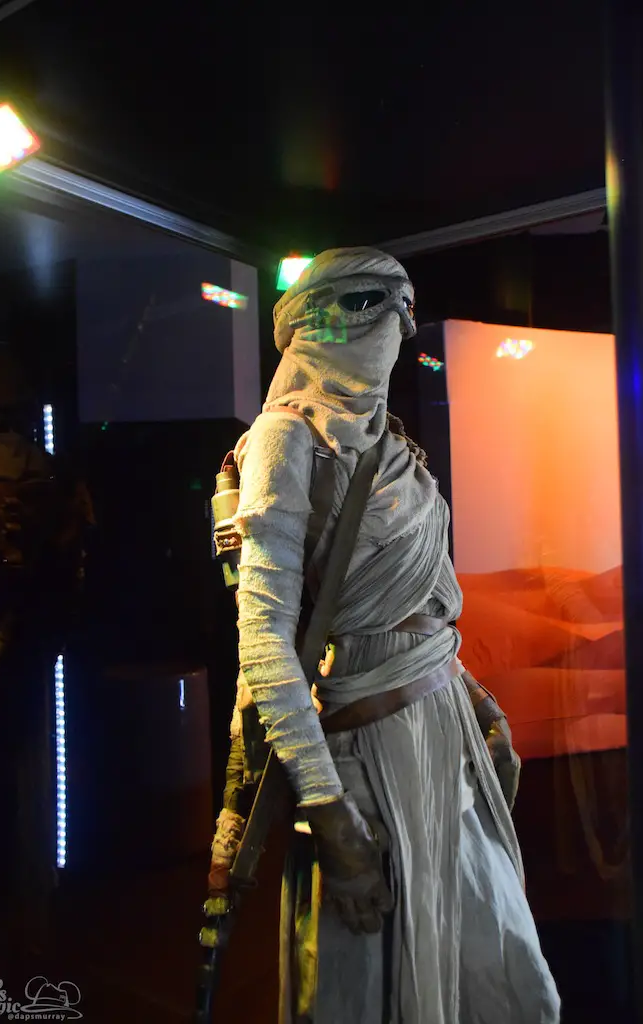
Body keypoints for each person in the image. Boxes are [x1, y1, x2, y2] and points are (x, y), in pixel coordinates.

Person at [209, 249, 560, 1023]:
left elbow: (426, 610)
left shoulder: (394, 445)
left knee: (506, 979)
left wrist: (476, 699)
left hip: (442, 734)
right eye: (364, 301)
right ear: (308, 322)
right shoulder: (285, 439)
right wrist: (330, 814)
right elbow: (263, 642)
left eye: (403, 303)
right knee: (360, 988)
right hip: (361, 753)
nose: (393, 319)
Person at [0, 343, 93, 962]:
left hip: (0, 662)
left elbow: (61, 587)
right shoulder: (52, 476)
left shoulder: (15, 476)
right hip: (21, 663)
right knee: (16, 797)